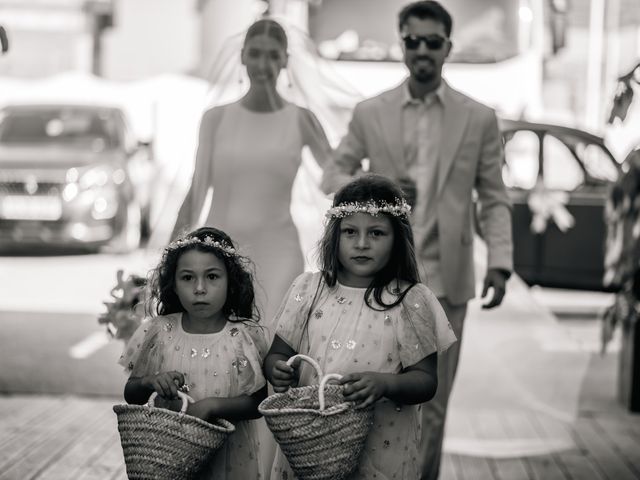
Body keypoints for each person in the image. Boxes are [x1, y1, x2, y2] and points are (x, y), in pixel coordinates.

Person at [320, 2, 513, 478]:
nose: (422, 50)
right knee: (373, 395)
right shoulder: (371, 112)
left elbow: (493, 196)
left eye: (433, 41)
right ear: (401, 43)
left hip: (447, 278)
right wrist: (377, 181)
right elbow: (333, 173)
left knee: (435, 400)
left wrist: (501, 261)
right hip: (378, 279)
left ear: (448, 47)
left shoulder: (479, 117)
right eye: (413, 41)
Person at [264, 174, 457, 479]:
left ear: (397, 238)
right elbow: (277, 354)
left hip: (382, 446)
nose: (362, 244)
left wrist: (386, 384)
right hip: (309, 445)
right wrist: (277, 369)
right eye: (350, 231)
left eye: (377, 233)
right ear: (334, 236)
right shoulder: (308, 290)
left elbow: (426, 380)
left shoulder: (410, 301)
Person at [171, 18, 333, 331]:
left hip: (280, 252)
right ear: (242, 56)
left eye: (273, 55)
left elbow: (337, 177)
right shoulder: (215, 119)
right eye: (256, 53)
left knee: (274, 343)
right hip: (220, 251)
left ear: (285, 61)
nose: (263, 64)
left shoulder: (302, 119)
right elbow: (196, 191)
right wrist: (171, 255)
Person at [119, 226, 268, 479]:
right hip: (168, 460)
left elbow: (258, 402)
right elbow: (130, 394)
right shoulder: (158, 332)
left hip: (230, 463)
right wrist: (149, 382)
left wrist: (212, 406)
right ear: (173, 285)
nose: (200, 288)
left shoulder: (243, 337)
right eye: (188, 278)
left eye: (212, 277)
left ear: (231, 282)